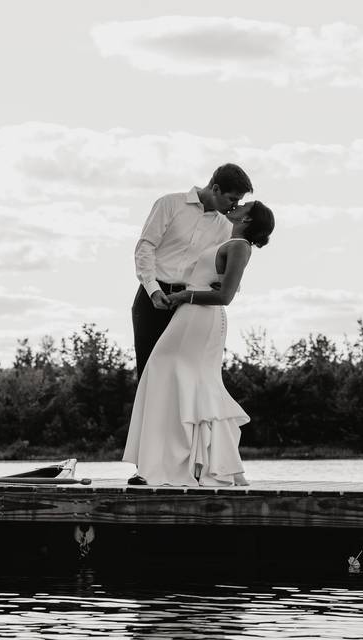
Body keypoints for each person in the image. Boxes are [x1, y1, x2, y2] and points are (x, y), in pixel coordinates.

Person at [123, 201, 275, 486]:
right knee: (175, 377)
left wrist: (183, 297)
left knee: (172, 372)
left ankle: (185, 461)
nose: (237, 205)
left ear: (248, 218)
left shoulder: (240, 246)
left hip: (200, 317)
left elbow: (225, 296)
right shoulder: (229, 240)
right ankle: (176, 460)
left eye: (244, 205)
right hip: (190, 316)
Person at [132, 164, 253, 382]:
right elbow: (145, 247)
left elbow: (226, 268)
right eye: (232, 199)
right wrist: (153, 289)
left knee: (182, 379)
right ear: (215, 189)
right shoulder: (169, 203)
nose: (235, 206)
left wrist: (222, 283)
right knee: (149, 376)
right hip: (151, 300)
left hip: (190, 306)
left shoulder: (226, 227)